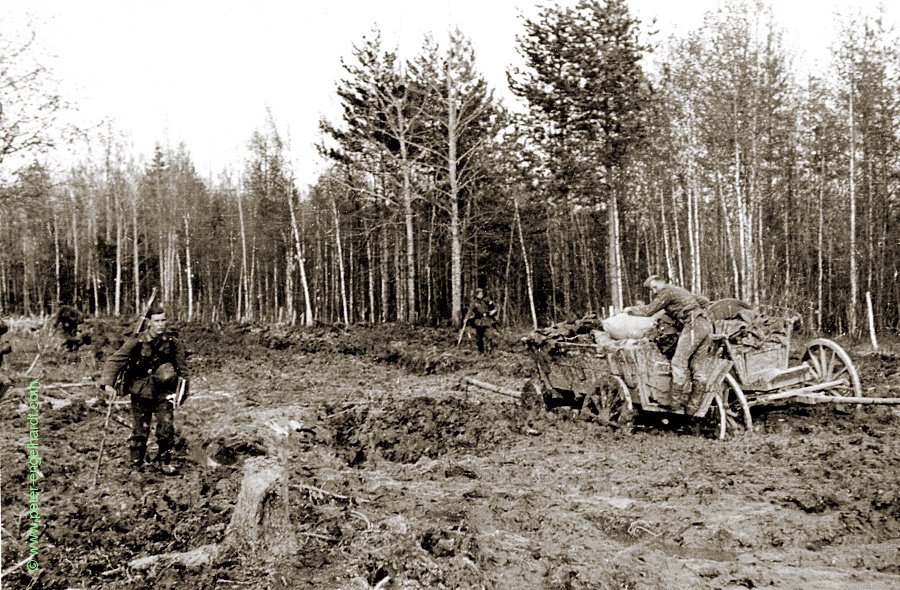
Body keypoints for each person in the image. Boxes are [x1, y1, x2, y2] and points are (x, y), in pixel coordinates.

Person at [100, 301, 189, 474]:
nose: (161, 325)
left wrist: (181, 394)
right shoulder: (137, 341)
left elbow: (183, 370)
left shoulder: (173, 343)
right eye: (156, 321)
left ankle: (164, 462)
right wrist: (108, 384)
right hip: (140, 390)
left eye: (163, 320)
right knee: (140, 429)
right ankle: (136, 463)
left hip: (164, 391)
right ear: (149, 322)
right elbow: (115, 360)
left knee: (166, 427)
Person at [625, 275, 712, 409]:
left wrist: (629, 310)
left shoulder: (666, 291)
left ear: (662, 282)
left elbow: (649, 311)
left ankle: (675, 404)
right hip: (705, 325)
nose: (654, 291)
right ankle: (693, 407)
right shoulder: (680, 291)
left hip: (694, 325)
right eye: (652, 289)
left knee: (678, 361)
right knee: (698, 367)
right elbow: (705, 301)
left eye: (655, 287)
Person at [465, 288, 499, 354]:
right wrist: (466, 318)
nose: (481, 295)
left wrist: (494, 310)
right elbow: (469, 311)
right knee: (479, 338)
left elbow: (495, 306)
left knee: (489, 336)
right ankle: (481, 352)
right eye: (479, 294)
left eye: (481, 294)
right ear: (476, 295)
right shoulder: (474, 302)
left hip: (487, 320)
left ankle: (489, 351)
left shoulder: (486, 300)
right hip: (478, 321)